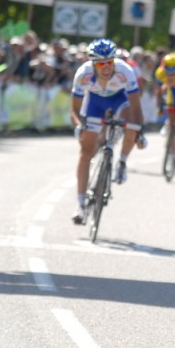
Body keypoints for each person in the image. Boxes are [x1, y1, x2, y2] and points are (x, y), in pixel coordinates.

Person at [70, 38, 144, 224]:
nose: (106, 67)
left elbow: (135, 106)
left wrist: (139, 130)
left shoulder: (125, 72)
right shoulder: (83, 74)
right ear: (93, 64)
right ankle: (80, 203)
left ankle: (122, 162)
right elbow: (75, 110)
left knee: (130, 125)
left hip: (119, 100)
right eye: (101, 63)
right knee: (86, 151)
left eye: (109, 62)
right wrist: (79, 125)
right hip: (94, 103)